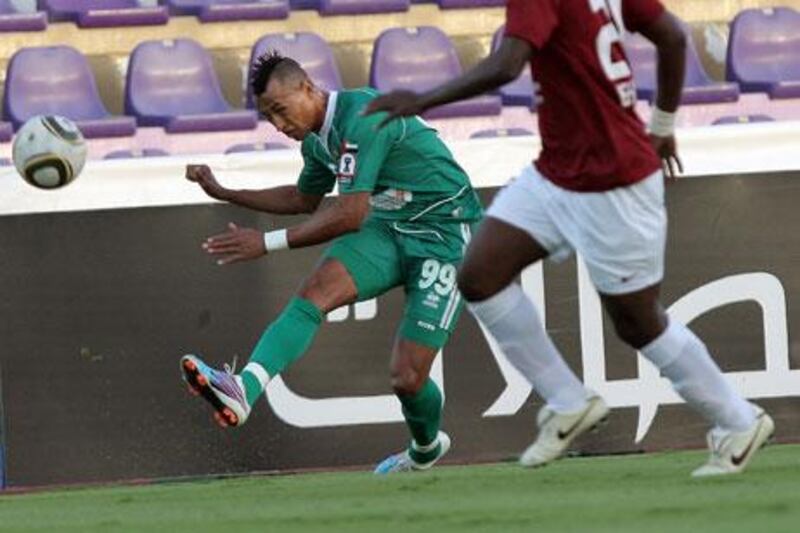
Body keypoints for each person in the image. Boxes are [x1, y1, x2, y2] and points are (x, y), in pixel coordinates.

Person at [365, 0, 773, 476]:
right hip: (558, 173)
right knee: (479, 274)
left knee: (638, 323)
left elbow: (508, 63)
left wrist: (420, 100)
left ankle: (739, 420)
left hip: (613, 180)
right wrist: (661, 126)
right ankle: (567, 400)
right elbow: (672, 36)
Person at [181, 51, 483, 474]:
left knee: (407, 378)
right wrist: (227, 192)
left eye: (281, 111)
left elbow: (349, 214)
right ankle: (244, 388)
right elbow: (304, 200)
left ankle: (425, 449)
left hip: (445, 233)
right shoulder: (316, 138)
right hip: (390, 226)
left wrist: (265, 243)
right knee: (313, 294)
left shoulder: (365, 116)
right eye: (270, 118)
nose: (280, 126)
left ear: (308, 88)